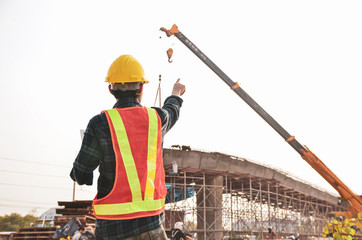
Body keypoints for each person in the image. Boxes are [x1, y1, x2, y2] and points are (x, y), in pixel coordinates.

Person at [70, 54, 186, 240]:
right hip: (152, 226)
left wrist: (81, 171)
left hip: (113, 230)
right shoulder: (156, 119)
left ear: (110, 88)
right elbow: (172, 110)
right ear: (141, 87)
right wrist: (176, 93)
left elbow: (82, 174)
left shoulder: (100, 124)